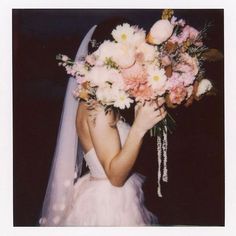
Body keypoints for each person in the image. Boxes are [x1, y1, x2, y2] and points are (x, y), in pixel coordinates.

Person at [39, 18, 167, 226]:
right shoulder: (96, 107)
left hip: (107, 195)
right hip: (108, 207)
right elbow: (115, 176)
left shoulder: (100, 98)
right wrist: (139, 128)